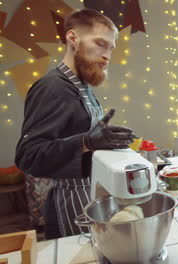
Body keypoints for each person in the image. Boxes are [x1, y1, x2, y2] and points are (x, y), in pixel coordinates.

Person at [15, 9, 135, 239]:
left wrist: (105, 143)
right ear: (73, 38)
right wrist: (86, 141)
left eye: (110, 48)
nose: (107, 55)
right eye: (100, 44)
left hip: (89, 195)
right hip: (68, 202)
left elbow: (80, 141)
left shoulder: (82, 87)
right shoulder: (54, 88)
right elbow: (27, 156)